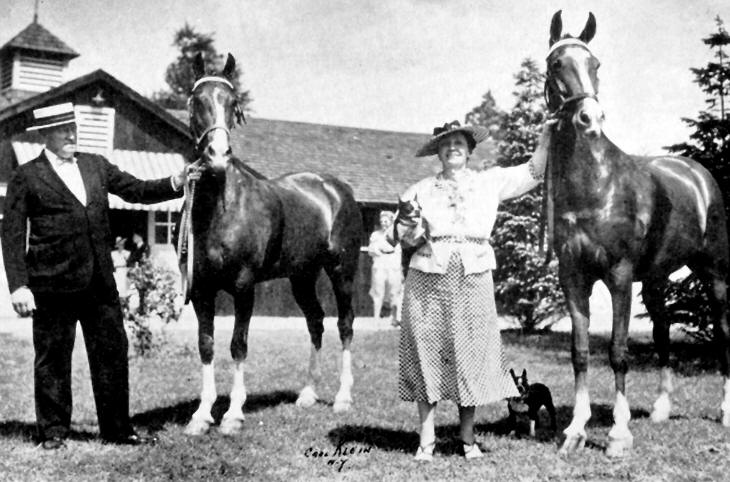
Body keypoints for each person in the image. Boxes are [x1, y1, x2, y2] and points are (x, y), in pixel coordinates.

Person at [1, 102, 200, 449]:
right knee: (52, 360)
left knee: (111, 355)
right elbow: (13, 234)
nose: (71, 134)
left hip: (99, 284)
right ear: (46, 135)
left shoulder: (96, 165)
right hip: (51, 284)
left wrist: (175, 181)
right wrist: (19, 285)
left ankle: (118, 429)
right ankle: (52, 432)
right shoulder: (26, 175)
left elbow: (136, 189)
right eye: (63, 130)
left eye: (73, 128)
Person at [393, 120, 552, 461]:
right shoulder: (419, 189)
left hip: (474, 275)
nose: (453, 148)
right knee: (427, 352)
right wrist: (410, 228)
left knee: (471, 353)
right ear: (438, 151)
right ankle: (427, 439)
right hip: (428, 275)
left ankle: (468, 438)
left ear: (469, 150)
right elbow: (404, 236)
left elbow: (534, 172)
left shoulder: (489, 181)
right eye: (446, 143)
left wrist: (547, 135)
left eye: (460, 143)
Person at [367, 211, 403, 327]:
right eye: (382, 222)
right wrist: (377, 251)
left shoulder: (397, 235)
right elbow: (371, 251)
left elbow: (399, 253)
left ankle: (394, 320)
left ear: (391, 222)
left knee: (394, 293)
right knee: (378, 293)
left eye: (386, 221)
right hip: (379, 265)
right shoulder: (375, 235)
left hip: (393, 266)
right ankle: (376, 320)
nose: (384, 224)